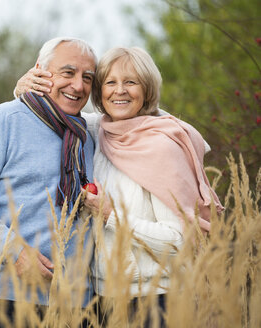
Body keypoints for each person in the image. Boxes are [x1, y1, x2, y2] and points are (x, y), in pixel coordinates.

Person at [14, 46, 224, 326]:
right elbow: (52, 111)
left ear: (147, 90)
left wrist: (111, 216)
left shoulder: (162, 146)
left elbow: (180, 240)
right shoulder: (94, 132)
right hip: (102, 300)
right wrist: (22, 91)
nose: (119, 91)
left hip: (158, 300)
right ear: (99, 93)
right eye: (110, 83)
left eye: (131, 82)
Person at [0, 37, 98, 327]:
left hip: (78, 305)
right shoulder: (4, 121)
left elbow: (141, 111)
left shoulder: (87, 133)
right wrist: (13, 250)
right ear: (39, 71)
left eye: (87, 77)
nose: (78, 85)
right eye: (68, 72)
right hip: (8, 299)